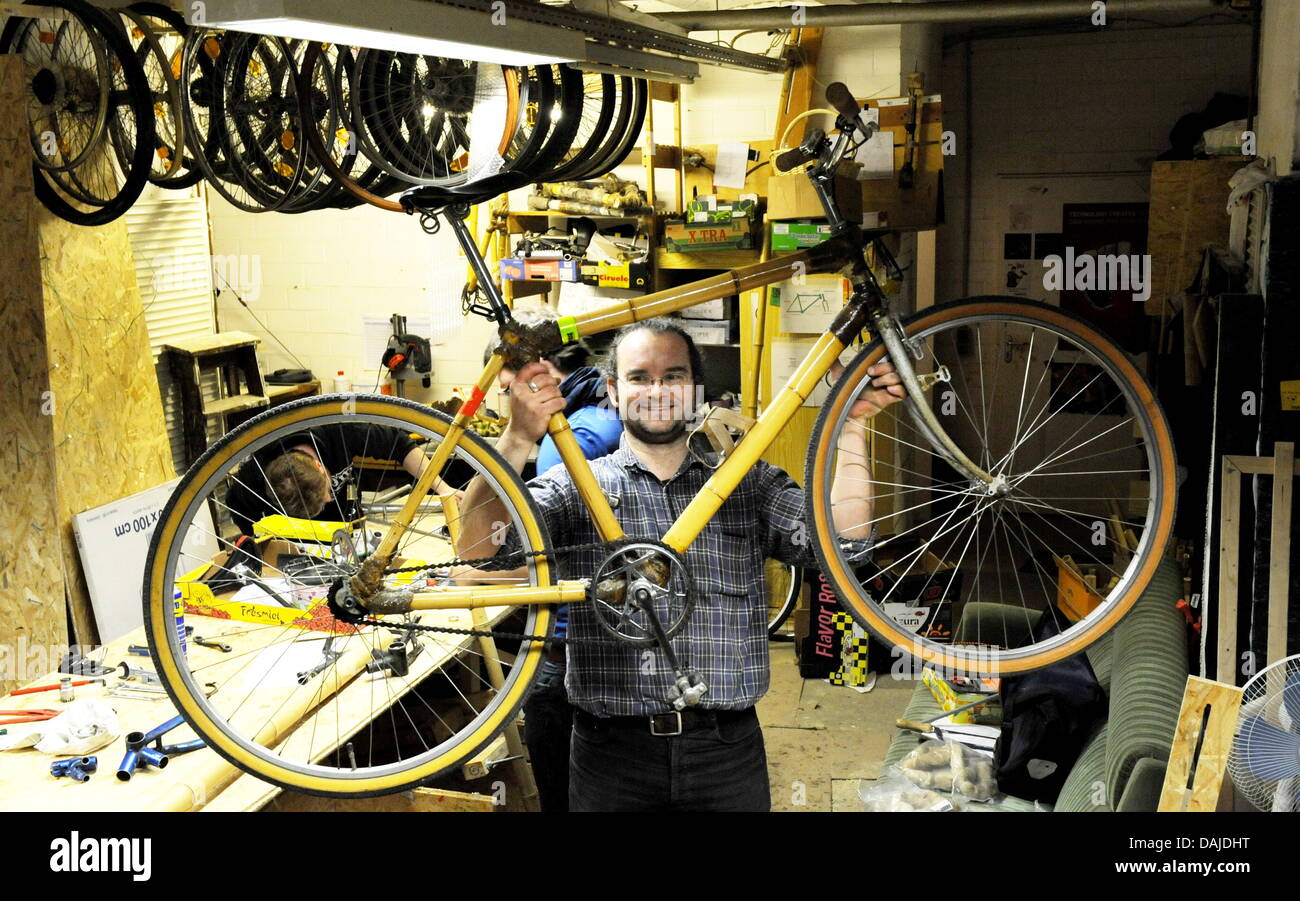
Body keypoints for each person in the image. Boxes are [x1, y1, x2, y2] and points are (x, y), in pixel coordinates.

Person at [459, 317, 905, 812]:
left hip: (726, 752)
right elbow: (481, 549)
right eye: (639, 376)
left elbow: (844, 546)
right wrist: (518, 437)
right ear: (612, 389)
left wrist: (854, 421)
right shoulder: (576, 487)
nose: (657, 390)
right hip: (611, 757)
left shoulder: (747, 484)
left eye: (673, 375)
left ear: (695, 388)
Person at [476, 311, 622, 813]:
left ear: (538, 374)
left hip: (569, 660)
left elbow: (566, 556)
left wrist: (481, 572)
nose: (506, 402)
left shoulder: (571, 442)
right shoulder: (598, 416)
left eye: (507, 390)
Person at [225, 423, 439, 538]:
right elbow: (235, 502)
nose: (330, 498)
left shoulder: (336, 431)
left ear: (319, 465)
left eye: (327, 490)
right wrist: (256, 543)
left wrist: (441, 488)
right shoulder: (256, 471)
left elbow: (400, 443)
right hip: (298, 548)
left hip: (350, 534)